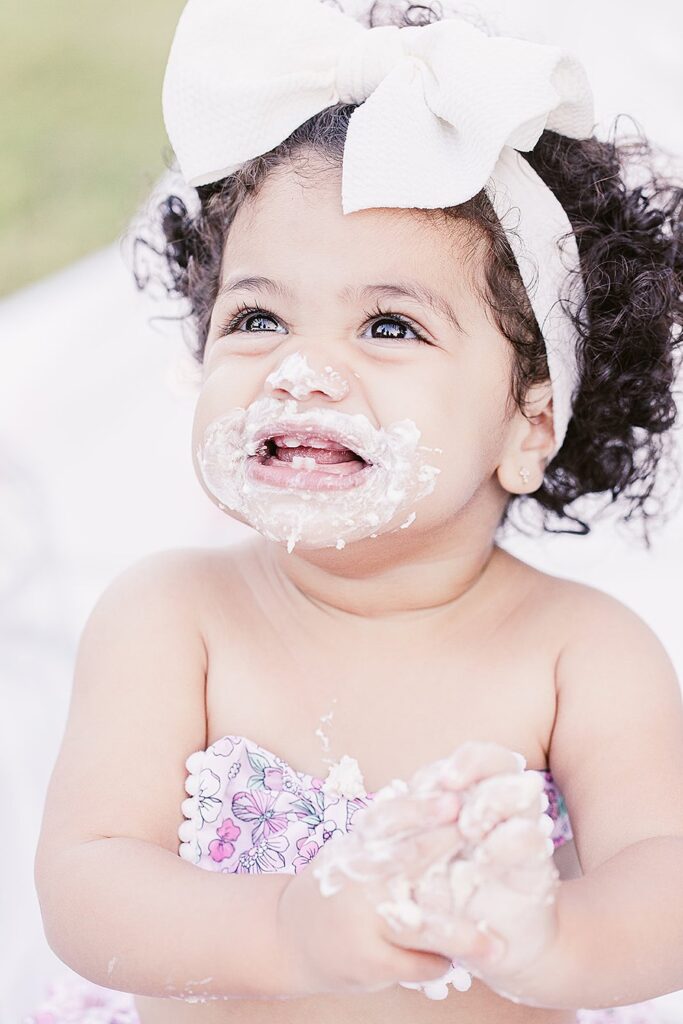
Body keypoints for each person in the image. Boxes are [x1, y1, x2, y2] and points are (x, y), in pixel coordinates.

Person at [27, 0, 683, 1022]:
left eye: (387, 324)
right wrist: (286, 925)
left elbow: (663, 880)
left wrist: (557, 939)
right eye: (257, 317)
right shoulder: (171, 620)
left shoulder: (581, 656)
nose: (300, 371)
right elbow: (88, 885)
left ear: (528, 425)